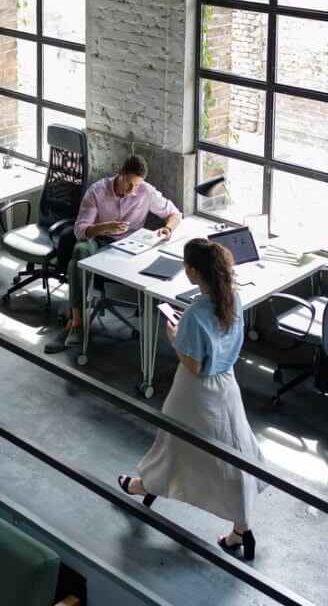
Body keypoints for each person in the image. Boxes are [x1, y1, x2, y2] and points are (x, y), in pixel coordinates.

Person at [116, 239, 265, 559]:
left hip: (194, 392)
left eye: (186, 266)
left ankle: (143, 486)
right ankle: (242, 527)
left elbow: (194, 363)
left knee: (172, 445)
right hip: (226, 386)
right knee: (234, 452)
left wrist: (174, 336)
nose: (184, 270)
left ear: (195, 271)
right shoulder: (231, 298)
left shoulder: (196, 313)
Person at [45, 154, 182, 353]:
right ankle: (76, 322)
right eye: (129, 184)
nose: (132, 190)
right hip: (99, 239)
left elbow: (175, 214)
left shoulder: (146, 192)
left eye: (137, 185)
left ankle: (73, 324)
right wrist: (104, 227)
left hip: (130, 246)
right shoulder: (97, 191)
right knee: (80, 251)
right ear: (120, 173)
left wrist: (168, 229)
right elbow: (80, 229)